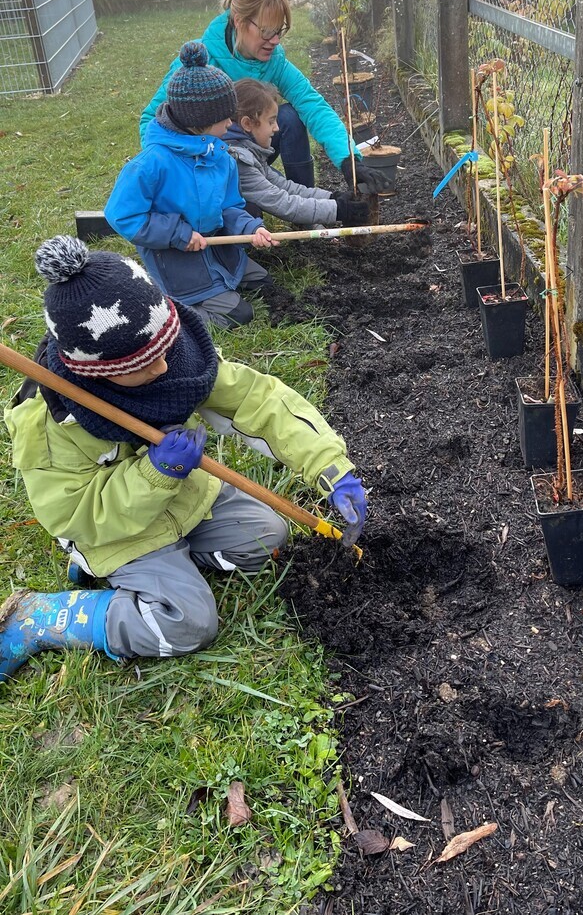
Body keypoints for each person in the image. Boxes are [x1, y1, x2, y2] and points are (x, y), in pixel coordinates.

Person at [0, 236, 368, 682]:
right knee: (188, 624)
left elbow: (259, 400)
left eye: (165, 353)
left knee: (268, 537)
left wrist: (331, 467)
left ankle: (174, 561)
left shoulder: (171, 359)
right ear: (99, 373)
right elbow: (76, 514)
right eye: (143, 365)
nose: (162, 370)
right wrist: (155, 473)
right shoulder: (51, 422)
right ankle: (47, 617)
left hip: (185, 499)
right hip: (116, 530)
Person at [139, 0, 389, 193]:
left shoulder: (274, 63)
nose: (275, 40)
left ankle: (305, 204)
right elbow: (151, 119)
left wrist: (349, 159)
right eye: (267, 31)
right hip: (208, 162)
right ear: (239, 21)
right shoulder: (198, 65)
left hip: (249, 154)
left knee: (290, 117)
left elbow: (313, 106)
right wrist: (175, 171)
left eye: (280, 30)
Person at [106, 41, 278, 331]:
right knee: (239, 314)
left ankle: (220, 280)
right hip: (176, 257)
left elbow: (230, 206)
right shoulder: (151, 163)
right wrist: (178, 233)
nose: (230, 121)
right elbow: (121, 215)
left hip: (216, 247)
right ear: (200, 122)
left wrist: (250, 229)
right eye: (225, 116)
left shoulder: (219, 153)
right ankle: (169, 315)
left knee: (264, 282)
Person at [224, 78, 371, 228]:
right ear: (247, 124)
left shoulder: (248, 150)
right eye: (271, 121)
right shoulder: (238, 160)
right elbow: (282, 203)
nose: (277, 128)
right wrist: (338, 210)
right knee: (250, 211)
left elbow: (285, 188)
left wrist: (331, 197)